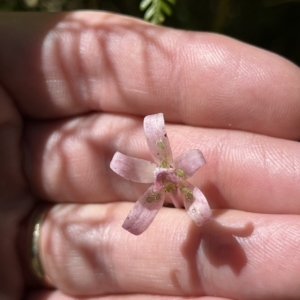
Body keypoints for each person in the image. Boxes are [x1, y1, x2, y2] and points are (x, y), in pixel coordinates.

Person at [0, 10, 300, 300]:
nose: (165, 179)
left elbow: (195, 183)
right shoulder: (159, 183)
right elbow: (136, 182)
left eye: (168, 178)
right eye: (165, 178)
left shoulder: (179, 178)